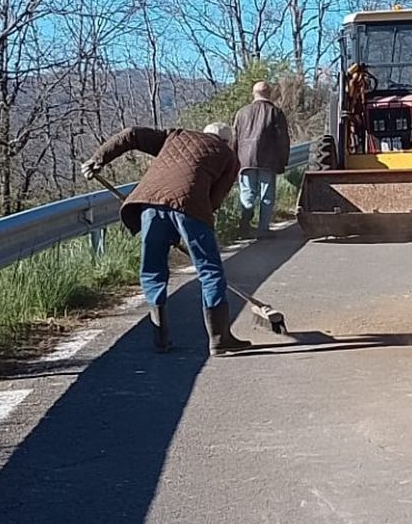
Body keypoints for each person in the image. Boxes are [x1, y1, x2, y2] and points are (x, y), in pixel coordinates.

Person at [82, 121, 247, 355]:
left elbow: (132, 134)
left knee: (153, 270)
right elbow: (214, 200)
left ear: (203, 132)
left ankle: (161, 339)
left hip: (150, 203)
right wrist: (188, 227)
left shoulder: (176, 136)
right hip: (191, 208)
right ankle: (219, 339)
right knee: (210, 270)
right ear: (228, 142)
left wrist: (98, 159)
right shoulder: (229, 157)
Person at [231, 80, 291, 239]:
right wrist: (283, 160)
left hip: (245, 160)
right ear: (269, 93)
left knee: (247, 193)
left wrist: (233, 160)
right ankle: (263, 229)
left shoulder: (241, 113)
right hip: (268, 160)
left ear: (253, 93)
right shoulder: (276, 112)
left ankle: (244, 227)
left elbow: (235, 138)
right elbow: (282, 140)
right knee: (267, 195)